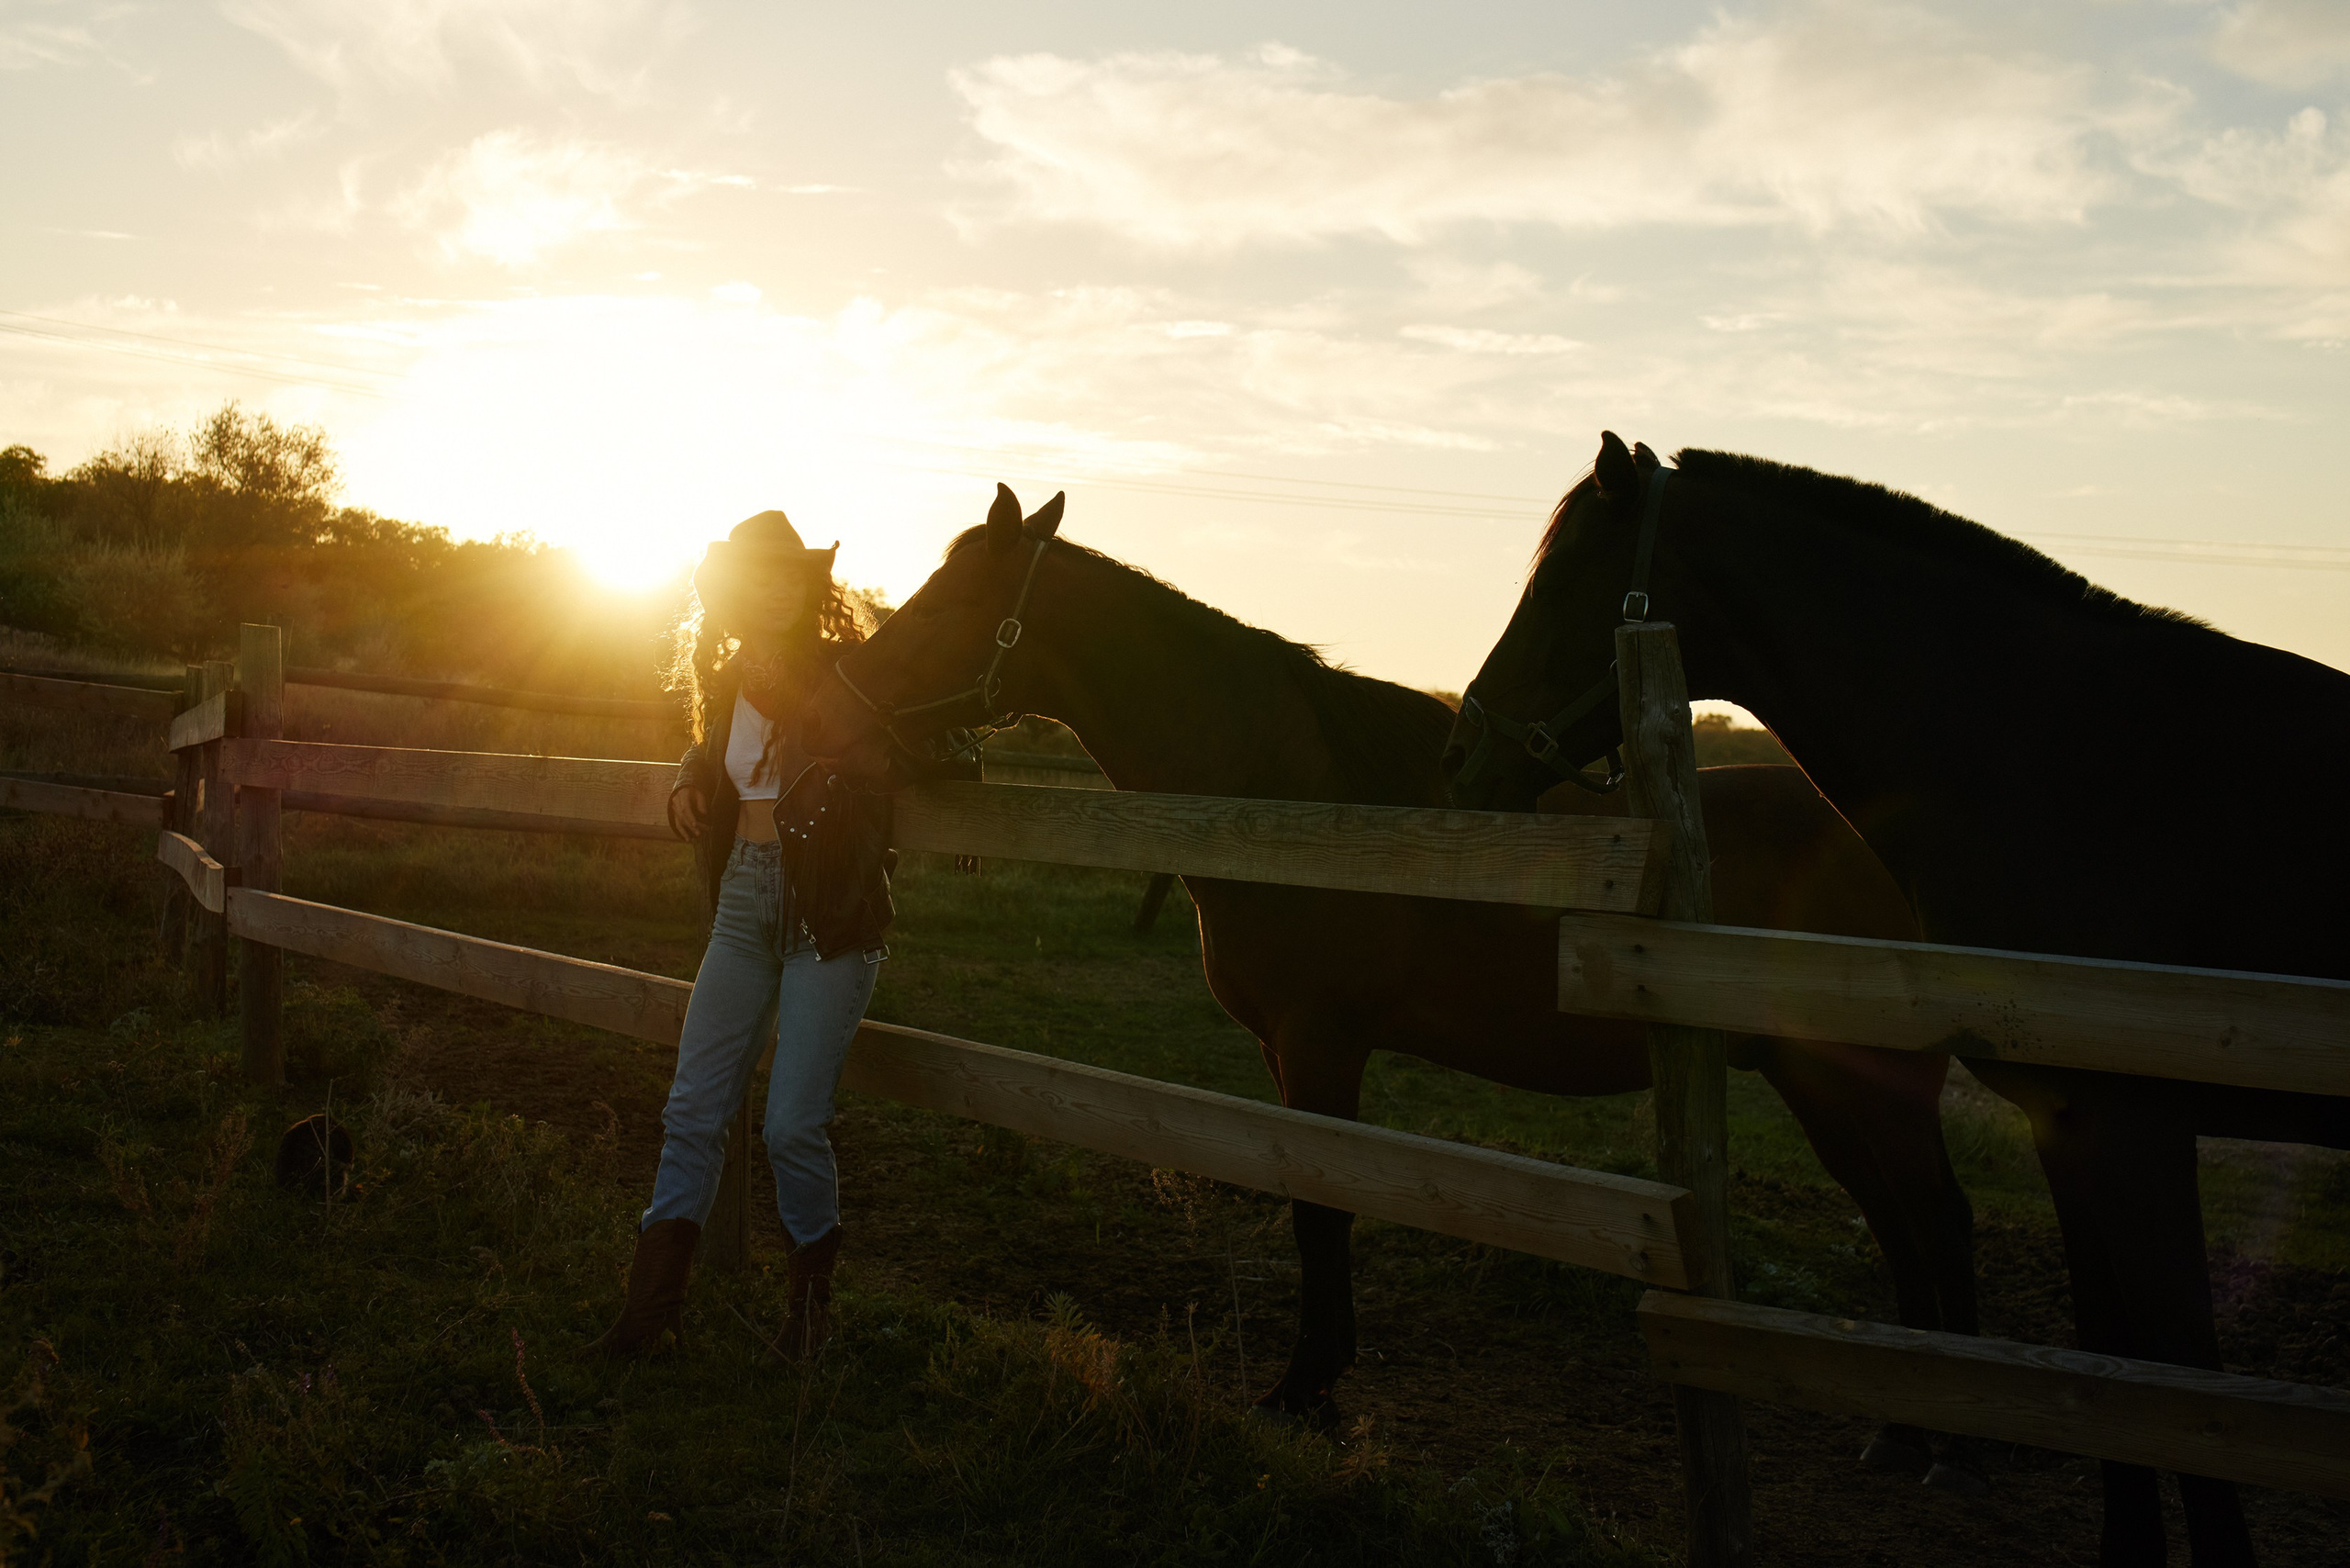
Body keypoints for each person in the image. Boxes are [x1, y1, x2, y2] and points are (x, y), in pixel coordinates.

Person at [586, 510, 894, 1361]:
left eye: (791, 574)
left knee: (791, 1125)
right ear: (731, 589)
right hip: (742, 906)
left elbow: (888, 756)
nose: (776, 586)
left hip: (828, 916)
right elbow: (716, 747)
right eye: (759, 573)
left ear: (808, 590)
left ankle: (810, 1315)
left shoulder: (844, 677)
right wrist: (690, 769)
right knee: (692, 1111)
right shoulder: (723, 678)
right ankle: (649, 1315)